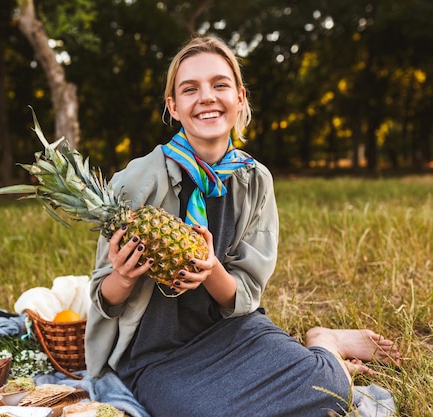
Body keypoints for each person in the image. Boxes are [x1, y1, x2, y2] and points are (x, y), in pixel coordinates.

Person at [84, 34, 401, 417]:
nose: (206, 97)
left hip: (233, 333)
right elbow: (103, 295)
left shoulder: (255, 180)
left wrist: (211, 268)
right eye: (190, 89)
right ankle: (319, 360)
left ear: (240, 98)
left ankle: (324, 343)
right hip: (156, 357)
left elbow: (246, 293)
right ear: (174, 106)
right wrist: (124, 275)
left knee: (329, 387)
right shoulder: (134, 183)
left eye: (220, 85)